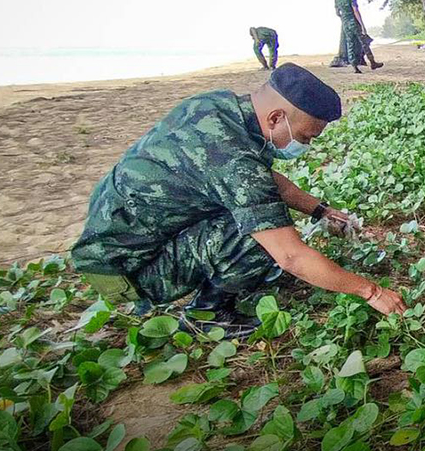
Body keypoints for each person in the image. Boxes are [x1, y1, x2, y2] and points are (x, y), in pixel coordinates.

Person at [70, 64, 405, 338]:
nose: (306, 146)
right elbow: (290, 255)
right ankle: (207, 313)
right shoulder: (235, 163)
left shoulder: (216, 107)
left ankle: (208, 281)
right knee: (261, 235)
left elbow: (267, 181)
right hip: (127, 272)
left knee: (256, 210)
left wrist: (321, 211)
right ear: (276, 118)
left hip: (110, 242)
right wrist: (371, 291)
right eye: (305, 137)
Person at [334, 0, 364, 73]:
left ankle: (354, 66)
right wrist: (362, 25)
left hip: (345, 24)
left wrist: (344, 18)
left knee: (350, 44)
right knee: (364, 41)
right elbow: (355, 11)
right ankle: (373, 62)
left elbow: (337, 13)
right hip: (354, 22)